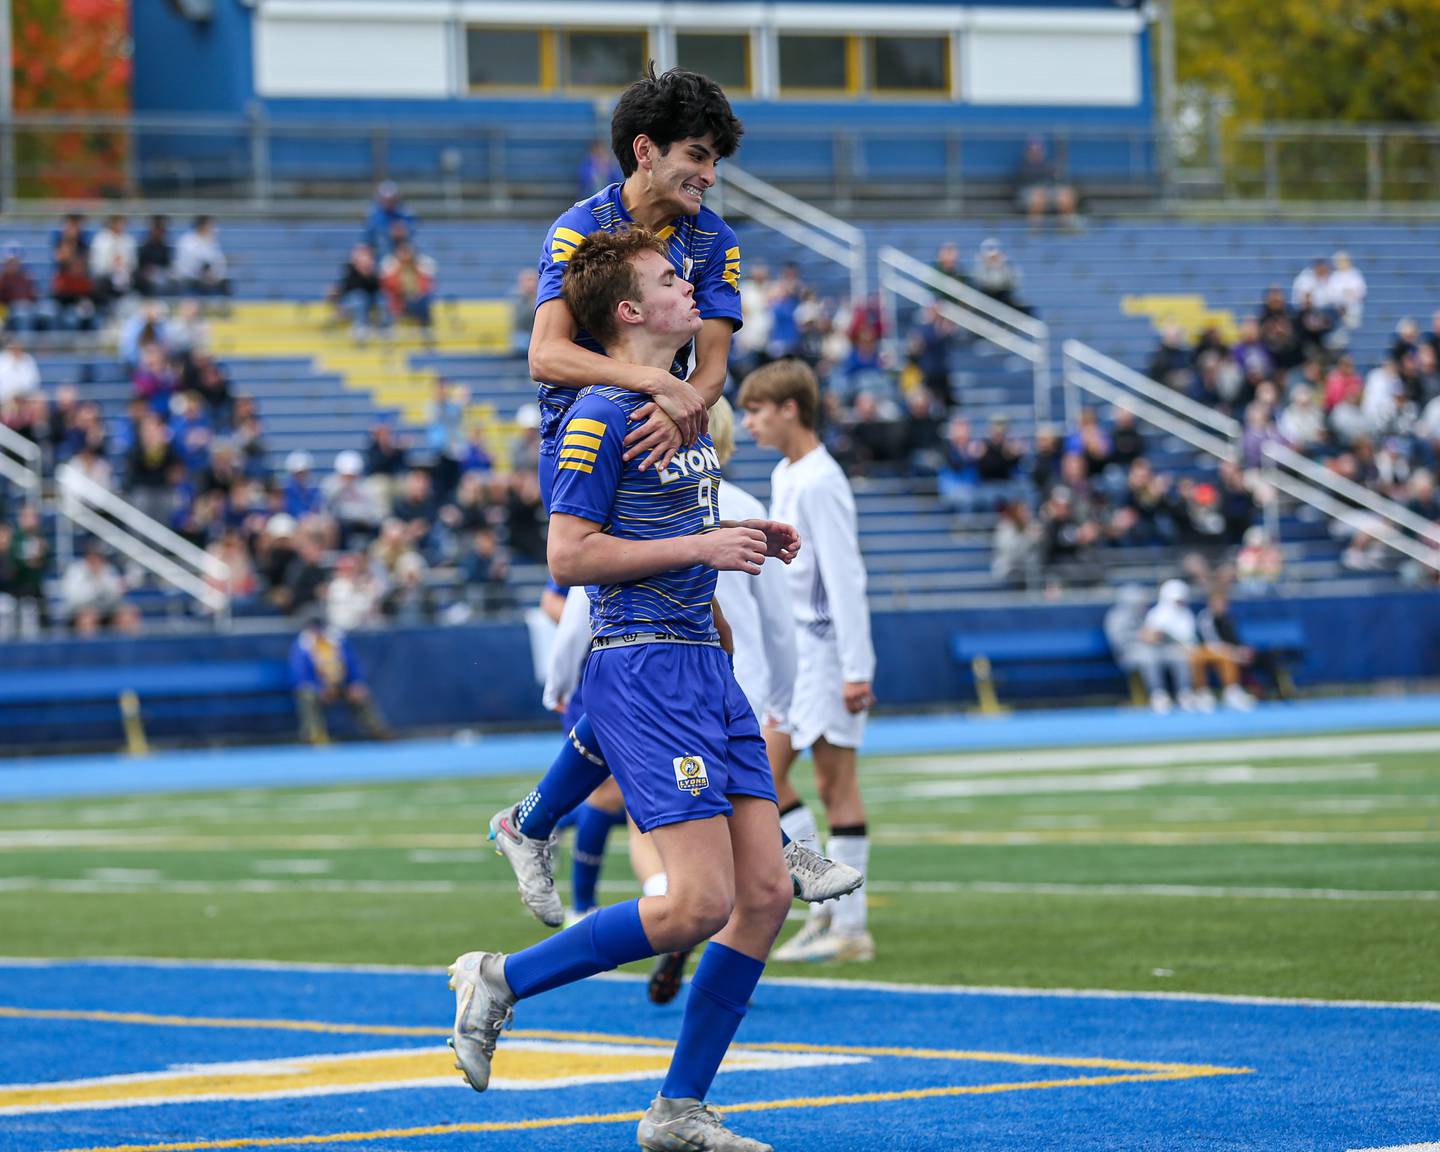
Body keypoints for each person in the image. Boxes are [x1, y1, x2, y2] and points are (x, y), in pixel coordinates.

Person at [448, 226, 799, 1152]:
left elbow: (680, 529)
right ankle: (500, 977)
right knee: (695, 906)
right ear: (630, 312)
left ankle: (678, 1109)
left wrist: (747, 534)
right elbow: (570, 554)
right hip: (643, 666)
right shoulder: (600, 412)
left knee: (764, 895)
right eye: (669, 279)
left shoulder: (677, 403)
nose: (694, 287)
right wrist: (704, 546)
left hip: (700, 663)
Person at [740, 358, 878, 964]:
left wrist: (857, 666)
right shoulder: (786, 473)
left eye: (757, 410)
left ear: (790, 409)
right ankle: (830, 913)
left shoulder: (822, 479)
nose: (749, 423)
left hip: (824, 649)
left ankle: (848, 926)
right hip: (796, 651)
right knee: (777, 777)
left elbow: (845, 576)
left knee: (829, 782)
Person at [289, 611, 389, 744]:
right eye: (313, 627)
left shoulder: (338, 642)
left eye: (319, 626)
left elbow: (353, 664)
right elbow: (300, 676)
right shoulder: (302, 647)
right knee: (307, 695)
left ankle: (379, 731)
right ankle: (315, 734)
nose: (317, 630)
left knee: (361, 694)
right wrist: (320, 688)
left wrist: (356, 683)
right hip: (319, 688)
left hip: (342, 685)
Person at [1104, 584, 1191, 713]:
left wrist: (1159, 637)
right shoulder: (1116, 617)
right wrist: (1140, 637)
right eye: (1139, 602)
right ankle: (1158, 695)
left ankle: (1184, 694)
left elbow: (1156, 633)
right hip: (1128, 654)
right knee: (1149, 658)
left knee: (1178, 656)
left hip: (1153, 649)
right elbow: (1118, 642)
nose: (1143, 604)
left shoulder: (1145, 615)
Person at [1014, 138, 1077, 229]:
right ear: (1027, 152)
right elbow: (1020, 184)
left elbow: (1056, 178)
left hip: (1047, 191)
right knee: (1037, 199)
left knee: (1066, 196)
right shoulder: (1022, 166)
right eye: (1032, 150)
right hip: (1028, 193)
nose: (1035, 153)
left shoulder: (1047, 164)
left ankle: (1066, 227)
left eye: (1038, 150)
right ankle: (1035, 229)